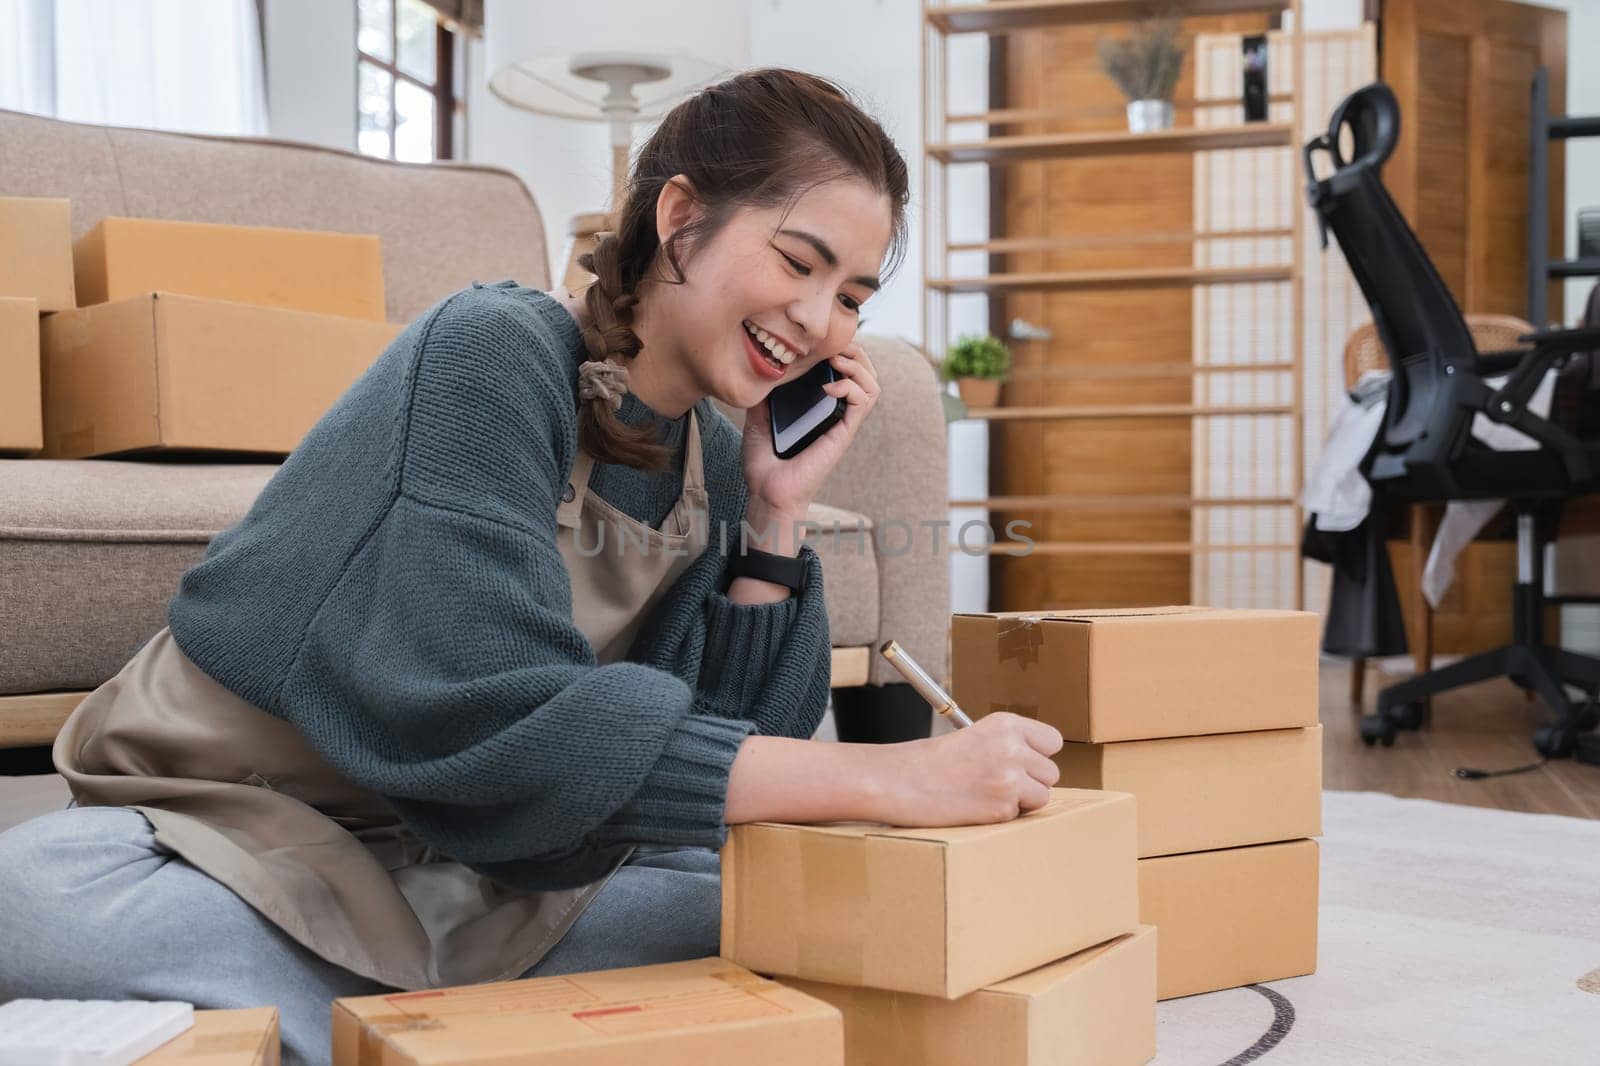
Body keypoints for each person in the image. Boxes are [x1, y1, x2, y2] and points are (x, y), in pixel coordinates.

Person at [0, 68, 1062, 1066]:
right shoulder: (492, 352)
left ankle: (415, 1026)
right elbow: (486, 719)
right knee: (35, 903)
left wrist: (775, 523)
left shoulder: (728, 465)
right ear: (681, 216)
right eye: (798, 261)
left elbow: (736, 772)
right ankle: (508, 1025)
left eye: (851, 298)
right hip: (235, 821)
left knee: (768, 903)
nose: (816, 321)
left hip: (468, 856)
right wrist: (886, 775)